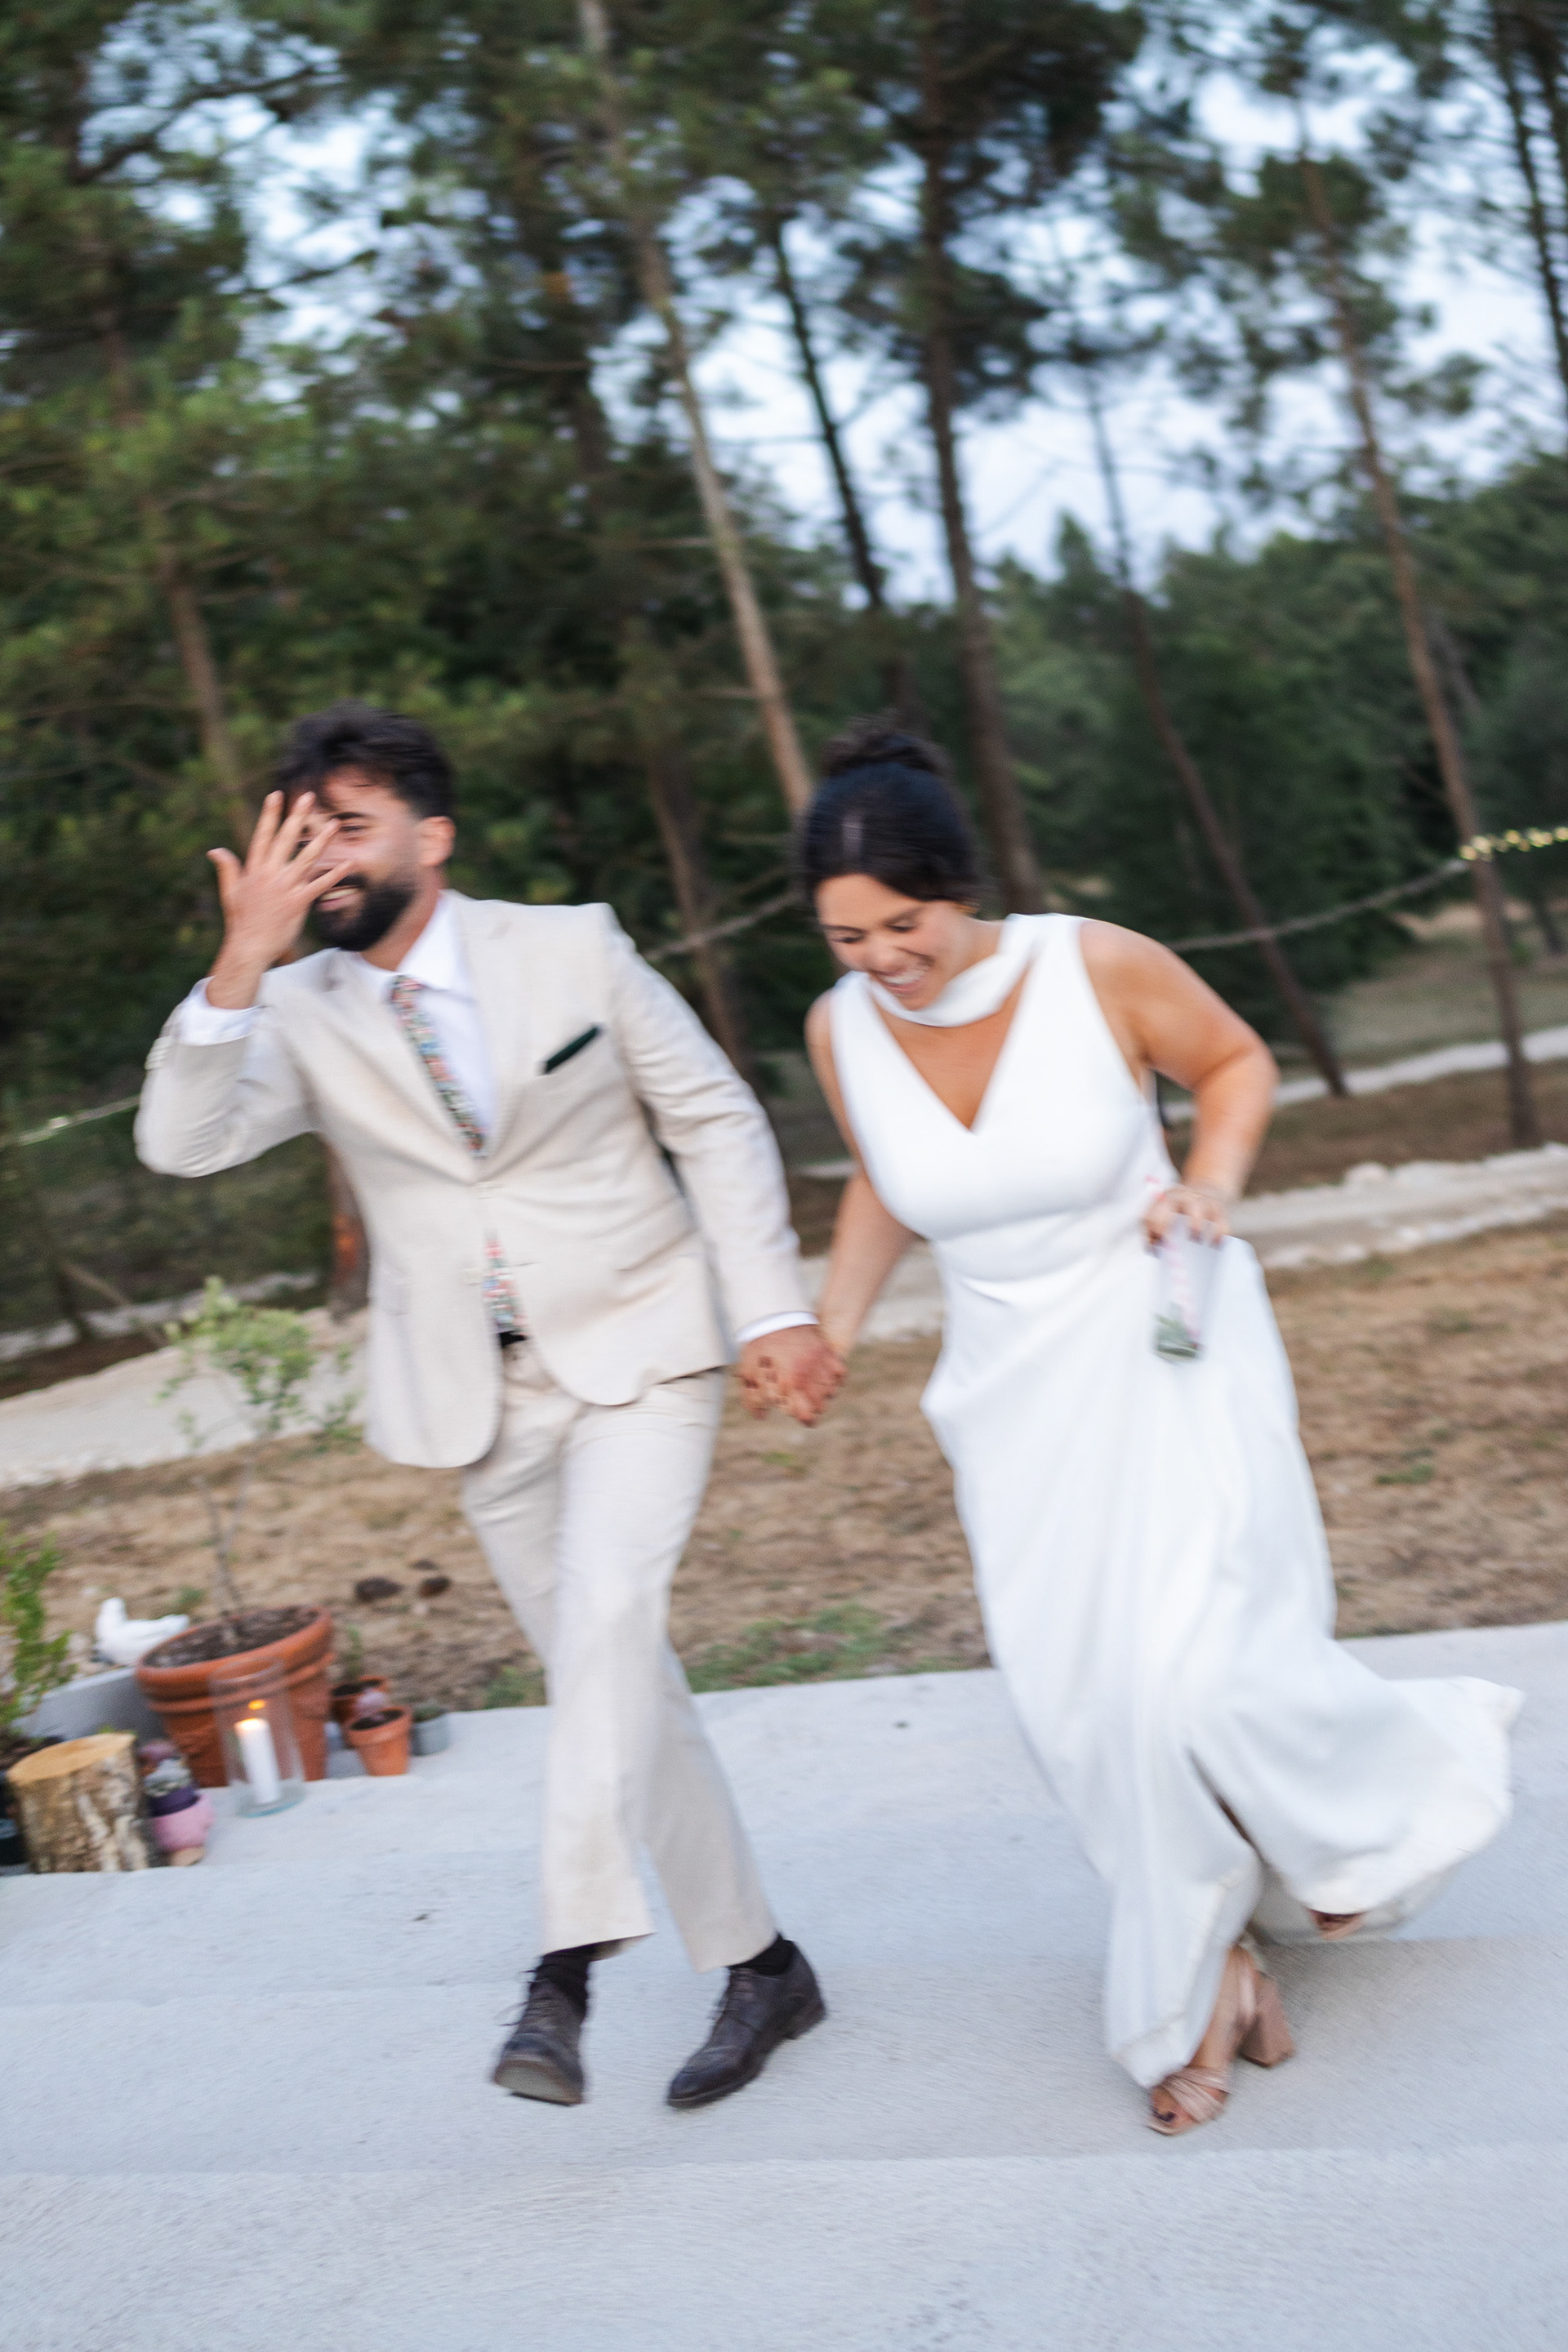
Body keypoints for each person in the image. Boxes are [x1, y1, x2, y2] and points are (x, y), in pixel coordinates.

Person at [797, 718, 1520, 2136]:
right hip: (1012, 1400)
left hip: (1166, 1341)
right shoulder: (842, 1030)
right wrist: (828, 1327)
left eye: (902, 923)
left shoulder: (1092, 964)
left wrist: (1211, 1183)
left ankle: (1365, 1811)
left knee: (1203, 1677)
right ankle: (1212, 1976)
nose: (881, 957)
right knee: (1086, 1713)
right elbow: (887, 1180)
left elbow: (1236, 1061)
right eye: (845, 937)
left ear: (959, 889)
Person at [136, 702, 843, 2111]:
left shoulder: (573, 947)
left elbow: (711, 1114)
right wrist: (241, 961)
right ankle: (762, 1964)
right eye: (300, 838)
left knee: (606, 1623)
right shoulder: (295, 1008)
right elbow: (180, 1143)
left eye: (349, 828)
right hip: (480, 1399)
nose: (324, 861)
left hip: (642, 1349)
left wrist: (770, 1305)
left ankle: (561, 1975)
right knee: (619, 1680)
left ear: (435, 836)